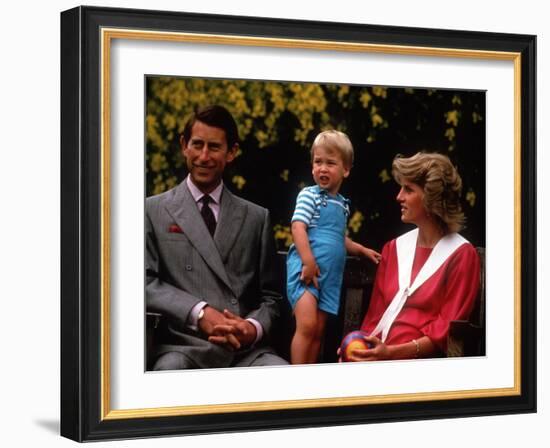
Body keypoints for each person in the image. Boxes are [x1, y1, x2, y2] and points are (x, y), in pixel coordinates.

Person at [146, 105, 288, 370]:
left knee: (285, 379)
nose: (203, 156)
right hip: (182, 348)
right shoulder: (152, 210)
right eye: (197, 145)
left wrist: (252, 328)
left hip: (246, 353)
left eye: (213, 147)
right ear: (183, 146)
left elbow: (272, 298)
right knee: (167, 378)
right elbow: (142, 283)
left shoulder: (257, 217)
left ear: (231, 152)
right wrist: (199, 312)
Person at [341, 152, 480, 361]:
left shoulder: (461, 255)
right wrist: (357, 350)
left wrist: (390, 354)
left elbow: (447, 333)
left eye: (408, 189)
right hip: (378, 360)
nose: (399, 196)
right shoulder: (393, 249)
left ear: (431, 198)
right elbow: (373, 321)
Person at [286, 130, 381, 364]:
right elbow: (298, 227)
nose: (323, 168)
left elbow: (340, 239)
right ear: (312, 167)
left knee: (318, 331)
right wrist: (308, 262)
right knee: (306, 325)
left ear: (346, 169)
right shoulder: (310, 195)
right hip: (307, 271)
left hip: (330, 277)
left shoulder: (342, 205)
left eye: (330, 163)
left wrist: (360, 250)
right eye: (318, 162)